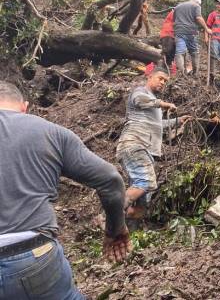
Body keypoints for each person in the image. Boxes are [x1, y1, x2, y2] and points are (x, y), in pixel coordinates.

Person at [0, 81, 130, 299]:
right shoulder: (50, 132)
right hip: (33, 256)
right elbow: (111, 180)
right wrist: (115, 230)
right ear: (25, 107)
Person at [116, 67, 190, 223]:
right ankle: (109, 215)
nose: (163, 82)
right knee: (146, 182)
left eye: (165, 81)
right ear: (150, 77)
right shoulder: (140, 92)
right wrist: (162, 103)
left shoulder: (154, 105)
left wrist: (178, 121)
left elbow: (159, 124)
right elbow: (138, 100)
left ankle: (126, 232)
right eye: (160, 78)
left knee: (142, 204)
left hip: (146, 151)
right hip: (134, 144)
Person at [173, 0, 212, 75]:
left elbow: (174, 19)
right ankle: (195, 73)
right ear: (197, 2)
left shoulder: (177, 7)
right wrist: (206, 28)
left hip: (179, 31)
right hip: (191, 32)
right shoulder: (196, 6)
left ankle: (182, 74)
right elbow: (198, 18)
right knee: (194, 52)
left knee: (179, 53)